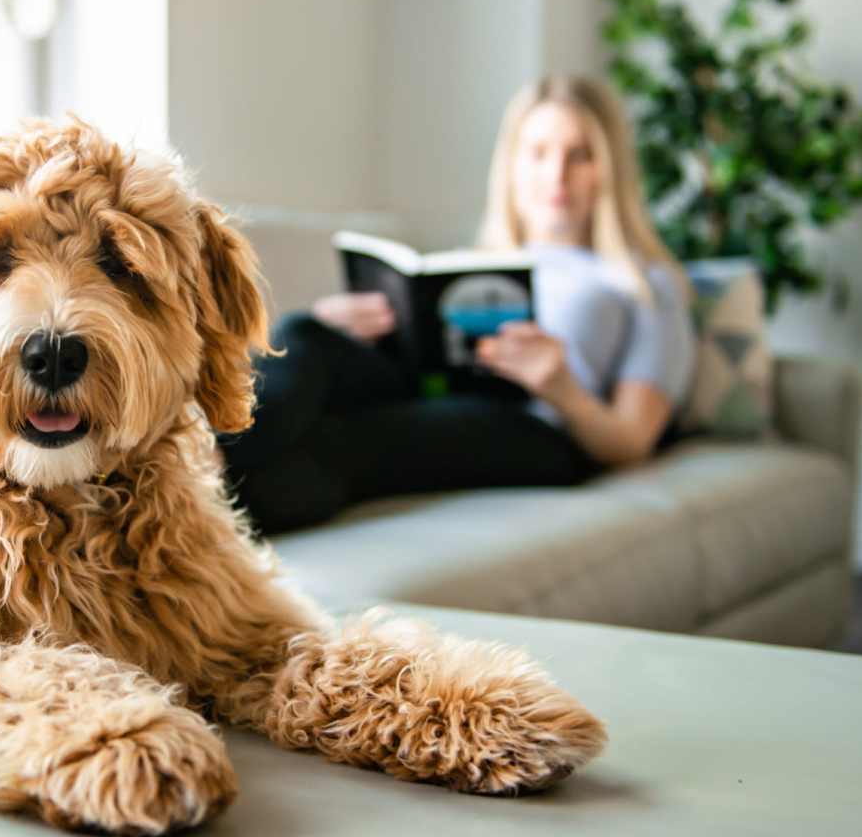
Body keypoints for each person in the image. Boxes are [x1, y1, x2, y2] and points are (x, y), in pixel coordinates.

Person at [220, 75, 696, 536]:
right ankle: (197, 462)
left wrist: (561, 388)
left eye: (581, 156)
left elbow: (632, 441)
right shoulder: (482, 261)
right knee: (305, 334)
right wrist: (353, 330)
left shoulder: (645, 283)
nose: (556, 175)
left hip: (537, 427)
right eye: (538, 154)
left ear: (609, 170)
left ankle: (187, 506)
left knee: (346, 441)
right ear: (512, 166)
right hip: (431, 388)